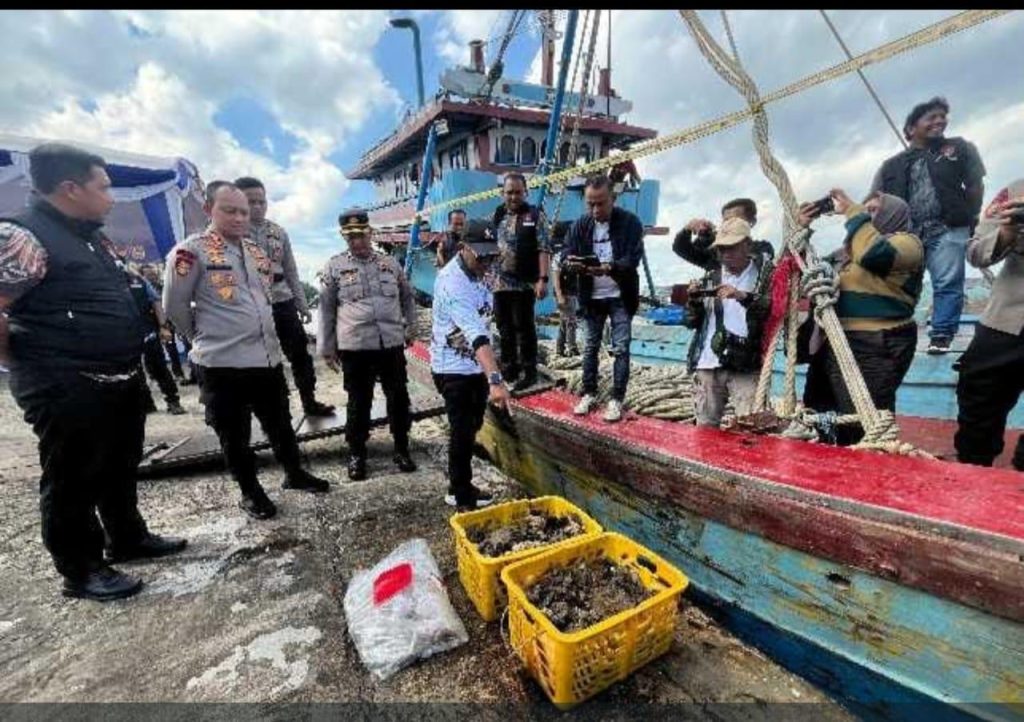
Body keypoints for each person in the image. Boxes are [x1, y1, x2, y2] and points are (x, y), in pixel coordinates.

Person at [0, 143, 186, 601]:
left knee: (119, 462)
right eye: (103, 187)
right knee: (73, 476)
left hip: (118, 376)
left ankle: (127, 537)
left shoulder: (90, 236)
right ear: (70, 188)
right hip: (64, 382)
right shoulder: (22, 237)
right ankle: (81, 569)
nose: (111, 196)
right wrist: (22, 362)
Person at [163, 182, 330, 520]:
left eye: (244, 211)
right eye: (230, 210)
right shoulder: (190, 252)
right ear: (209, 209)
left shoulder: (255, 251)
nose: (240, 217)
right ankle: (250, 493)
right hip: (222, 364)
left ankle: (294, 473)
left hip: (265, 358)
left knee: (280, 424)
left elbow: (265, 298)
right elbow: (174, 306)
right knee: (234, 434)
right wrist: (202, 337)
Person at [797, 189, 924, 445]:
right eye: (865, 211)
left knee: (862, 423)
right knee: (820, 412)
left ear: (893, 215)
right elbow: (801, 272)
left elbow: (873, 254)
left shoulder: (908, 244)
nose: (867, 216)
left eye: (874, 210)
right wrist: (801, 229)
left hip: (875, 345)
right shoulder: (846, 254)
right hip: (835, 340)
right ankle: (826, 462)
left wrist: (853, 212)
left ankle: (863, 466)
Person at [870, 97, 986, 354]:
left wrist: (970, 216)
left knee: (947, 282)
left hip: (947, 227)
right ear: (911, 128)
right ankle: (892, 333)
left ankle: (941, 335)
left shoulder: (960, 148)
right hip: (906, 235)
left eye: (942, 116)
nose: (940, 121)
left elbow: (975, 185)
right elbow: (873, 201)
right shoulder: (890, 166)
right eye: (931, 117)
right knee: (901, 284)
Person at [318, 208, 418, 481]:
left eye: (361, 235)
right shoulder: (334, 266)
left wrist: (411, 326)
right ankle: (357, 454)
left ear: (370, 233)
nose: (357, 241)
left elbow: (407, 297)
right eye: (351, 237)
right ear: (344, 237)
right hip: (355, 347)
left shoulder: (390, 263)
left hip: (390, 344)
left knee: (399, 398)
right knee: (358, 403)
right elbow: (326, 309)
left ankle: (402, 448)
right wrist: (327, 348)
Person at [235, 176, 334, 417]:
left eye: (261, 201)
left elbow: (290, 270)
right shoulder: (231, 233)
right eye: (251, 202)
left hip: (282, 300)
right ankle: (275, 412)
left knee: (300, 355)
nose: (257, 206)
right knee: (263, 359)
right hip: (250, 303)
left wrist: (301, 304)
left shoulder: (278, 232)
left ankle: (309, 401)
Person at [431, 219, 511, 509]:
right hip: (451, 368)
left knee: (473, 424)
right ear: (463, 248)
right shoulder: (452, 282)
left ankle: (461, 483)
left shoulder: (484, 269)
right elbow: (476, 334)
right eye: (481, 256)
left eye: (491, 256)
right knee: (462, 431)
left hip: (474, 366)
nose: (486, 263)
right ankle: (459, 492)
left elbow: (487, 319)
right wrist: (496, 380)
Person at [562, 174, 645, 422]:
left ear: (613, 198)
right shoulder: (579, 226)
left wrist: (609, 268)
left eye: (601, 203)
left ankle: (617, 398)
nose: (595, 209)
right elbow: (566, 252)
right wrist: (571, 263)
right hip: (591, 297)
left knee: (621, 348)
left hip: (621, 296)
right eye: (590, 204)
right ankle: (589, 393)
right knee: (590, 347)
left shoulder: (631, 222)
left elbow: (633, 258)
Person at [954, 179, 1024, 469]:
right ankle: (971, 472)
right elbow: (975, 253)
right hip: (1006, 321)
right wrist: (1007, 233)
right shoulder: (1016, 191)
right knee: (978, 406)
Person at [682, 217, 774, 427]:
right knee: (705, 428)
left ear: (747, 245)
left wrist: (743, 296)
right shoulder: (710, 277)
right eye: (721, 249)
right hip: (708, 363)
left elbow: (772, 310)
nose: (725, 254)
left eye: (731, 247)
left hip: (746, 364)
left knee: (753, 428)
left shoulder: (764, 276)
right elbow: (690, 322)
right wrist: (694, 301)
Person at [492, 173, 551, 391]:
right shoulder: (498, 214)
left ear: (525, 192)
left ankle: (529, 371)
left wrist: (542, 279)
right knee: (504, 328)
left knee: (523, 329)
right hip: (499, 283)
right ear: (503, 193)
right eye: (509, 192)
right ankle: (510, 369)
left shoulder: (535, 216)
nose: (513, 197)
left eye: (518, 192)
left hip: (524, 283)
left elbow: (544, 248)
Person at [124, 266, 186, 415]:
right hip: (124, 334)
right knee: (133, 371)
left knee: (158, 366)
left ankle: (173, 401)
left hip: (147, 331)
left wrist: (163, 327)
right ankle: (146, 403)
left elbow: (156, 301)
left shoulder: (138, 280)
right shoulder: (105, 280)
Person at [673, 197, 775, 272]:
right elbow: (681, 249)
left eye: (736, 219)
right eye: (726, 220)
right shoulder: (713, 252)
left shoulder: (763, 248)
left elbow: (756, 259)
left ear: (752, 222)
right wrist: (689, 229)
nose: (729, 224)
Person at [140, 263, 194, 384]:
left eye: (152, 273)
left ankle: (193, 373)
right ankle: (177, 374)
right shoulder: (143, 290)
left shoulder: (164, 285)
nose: (151, 275)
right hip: (159, 324)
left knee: (188, 346)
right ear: (143, 275)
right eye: (148, 274)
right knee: (170, 349)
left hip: (175, 320)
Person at [550, 221, 578, 357]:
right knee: (571, 321)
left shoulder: (567, 251)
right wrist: (559, 294)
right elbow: (555, 274)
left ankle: (559, 348)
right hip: (564, 292)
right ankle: (571, 348)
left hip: (570, 290)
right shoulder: (560, 255)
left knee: (564, 321)